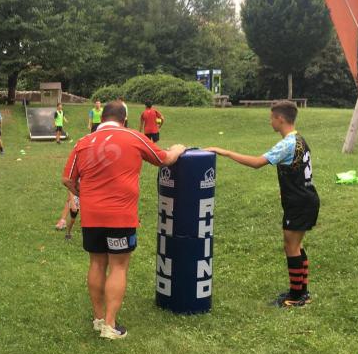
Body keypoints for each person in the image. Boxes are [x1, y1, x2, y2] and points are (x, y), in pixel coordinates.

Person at [62, 101, 186, 340]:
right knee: (118, 266)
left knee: (97, 263)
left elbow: (67, 179)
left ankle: (99, 319)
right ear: (124, 119)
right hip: (120, 216)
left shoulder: (82, 142)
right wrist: (179, 149)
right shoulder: (133, 137)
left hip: (91, 217)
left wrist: (85, 194)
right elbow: (164, 158)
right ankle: (110, 325)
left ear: (101, 118)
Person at [205, 100, 319, 307]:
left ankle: (295, 296)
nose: (270, 122)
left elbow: (257, 163)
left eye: (271, 118)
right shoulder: (300, 139)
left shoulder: (287, 143)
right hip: (306, 198)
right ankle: (302, 292)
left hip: (299, 202)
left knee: (291, 246)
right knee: (297, 245)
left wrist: (226, 152)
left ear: (280, 119)